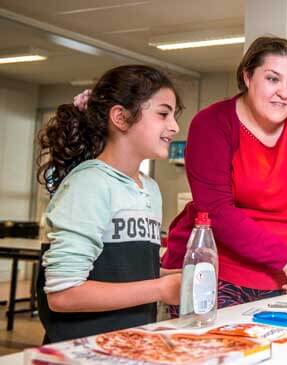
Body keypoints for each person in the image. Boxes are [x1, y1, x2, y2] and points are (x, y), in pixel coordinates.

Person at [162, 36, 287, 308]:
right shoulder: (213, 123)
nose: (284, 93)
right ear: (248, 76)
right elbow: (217, 210)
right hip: (222, 274)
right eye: (273, 79)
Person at [36, 65, 184, 343]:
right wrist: (162, 288)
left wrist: (175, 275)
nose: (174, 126)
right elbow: (63, 294)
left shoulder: (150, 188)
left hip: (131, 345)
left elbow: (122, 271)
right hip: (83, 351)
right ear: (120, 117)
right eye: (163, 114)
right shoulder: (89, 183)